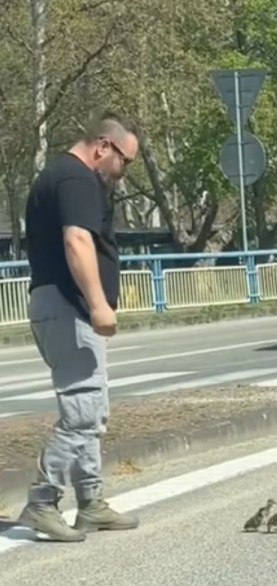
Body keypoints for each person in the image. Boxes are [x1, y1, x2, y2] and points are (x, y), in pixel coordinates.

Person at [18, 111, 141, 542]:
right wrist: (98, 305)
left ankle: (90, 503)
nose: (124, 173)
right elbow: (77, 241)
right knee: (83, 410)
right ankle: (42, 500)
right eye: (125, 161)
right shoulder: (75, 179)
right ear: (103, 147)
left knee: (91, 408)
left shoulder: (61, 176)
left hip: (59, 305)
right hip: (71, 307)